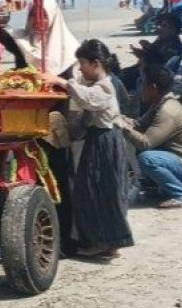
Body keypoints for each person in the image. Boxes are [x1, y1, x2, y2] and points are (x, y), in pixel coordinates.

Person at [42, 39, 134, 258]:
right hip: (99, 140)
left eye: (82, 63)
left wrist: (65, 84)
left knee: (94, 192)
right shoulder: (97, 83)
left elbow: (89, 100)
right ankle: (107, 242)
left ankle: (102, 242)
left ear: (95, 63)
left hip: (104, 141)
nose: (80, 68)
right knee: (100, 191)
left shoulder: (105, 86)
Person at [121, 65, 182, 208]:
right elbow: (138, 125)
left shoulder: (168, 111)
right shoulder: (160, 103)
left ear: (153, 87)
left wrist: (122, 126)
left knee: (148, 158)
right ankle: (161, 188)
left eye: (143, 84)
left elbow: (146, 143)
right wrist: (121, 118)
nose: (141, 89)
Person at [13, 0, 80, 77]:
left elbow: (73, 83)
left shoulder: (70, 48)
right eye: (33, 14)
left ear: (53, 17)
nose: (37, 20)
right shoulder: (21, 42)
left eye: (44, 16)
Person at [121, 12, 182, 91]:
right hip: (142, 70)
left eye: (164, 26)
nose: (160, 28)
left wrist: (149, 49)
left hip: (151, 75)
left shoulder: (174, 46)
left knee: (121, 77)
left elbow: (162, 62)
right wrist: (142, 53)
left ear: (173, 29)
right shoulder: (162, 40)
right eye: (160, 25)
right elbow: (152, 55)